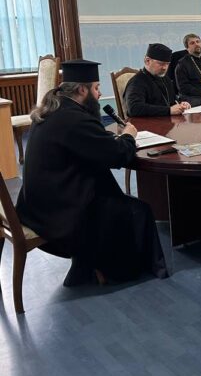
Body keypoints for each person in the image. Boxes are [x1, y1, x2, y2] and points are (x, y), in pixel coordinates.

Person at [16, 60, 168, 286]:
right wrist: (128, 135)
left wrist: (111, 139)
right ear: (82, 90)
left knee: (116, 197)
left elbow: (87, 144)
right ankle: (117, 270)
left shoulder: (55, 108)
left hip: (36, 204)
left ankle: (91, 263)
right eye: (96, 88)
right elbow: (117, 155)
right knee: (138, 210)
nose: (99, 94)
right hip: (59, 213)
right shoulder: (74, 118)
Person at [125, 43, 191, 117]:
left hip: (166, 121)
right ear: (147, 61)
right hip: (147, 122)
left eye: (167, 64)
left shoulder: (165, 79)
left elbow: (171, 102)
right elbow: (134, 108)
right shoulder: (137, 82)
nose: (164, 68)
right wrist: (169, 110)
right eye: (161, 64)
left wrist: (181, 104)